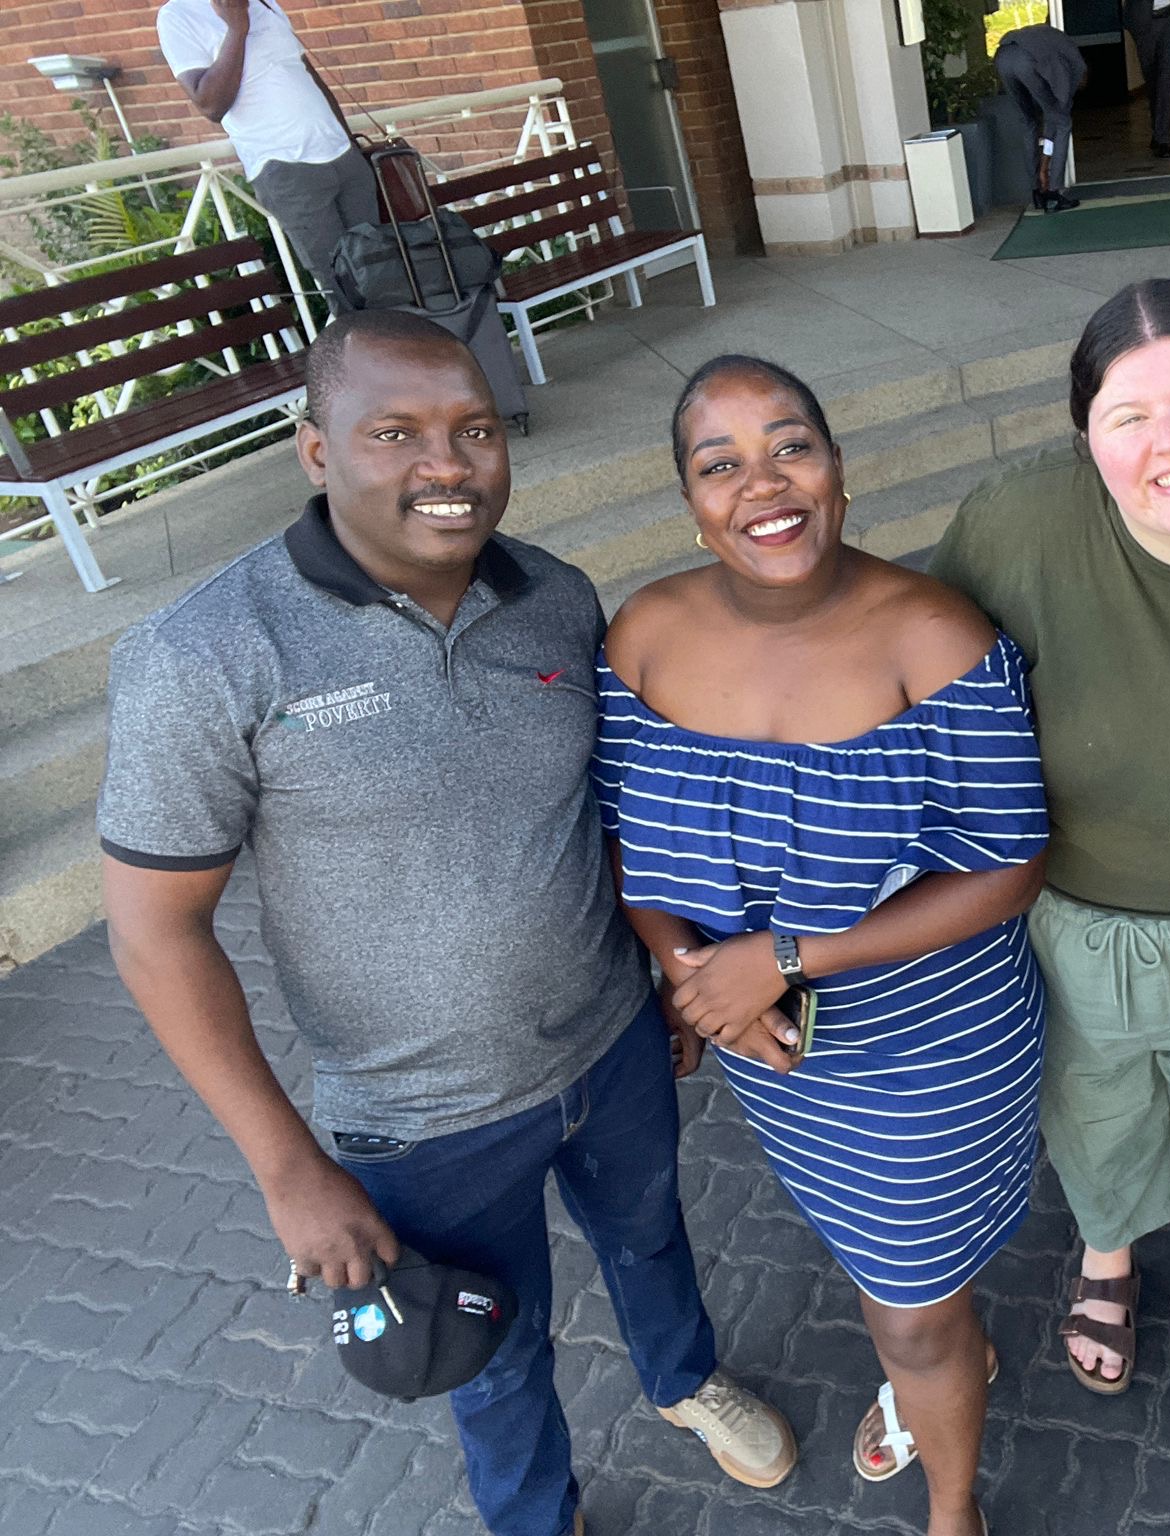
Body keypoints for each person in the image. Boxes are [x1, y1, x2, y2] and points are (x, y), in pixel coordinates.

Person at [95, 310, 796, 1536]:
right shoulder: (206, 654)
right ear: (316, 452)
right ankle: (537, 1517)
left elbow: (609, 812)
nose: (449, 464)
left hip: (611, 1045)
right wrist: (287, 1170)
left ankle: (684, 1380)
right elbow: (156, 933)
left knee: (648, 1235)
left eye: (474, 429)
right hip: (417, 1117)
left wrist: (664, 971)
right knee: (493, 1340)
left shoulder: (554, 599)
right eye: (396, 433)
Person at [592, 354, 1050, 1536]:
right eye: (721, 463)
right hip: (767, 1050)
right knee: (892, 1275)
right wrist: (700, 979)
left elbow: (1010, 864)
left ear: (838, 466)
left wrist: (782, 962)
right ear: (688, 499)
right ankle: (943, 1344)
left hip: (932, 1042)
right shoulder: (642, 634)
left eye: (791, 445)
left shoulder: (934, 634)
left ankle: (956, 1512)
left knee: (903, 1308)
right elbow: (621, 836)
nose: (765, 485)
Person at [929, 279, 1170, 1444]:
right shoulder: (1019, 524)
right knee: (1091, 1111)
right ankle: (1106, 1255)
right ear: (1084, 435)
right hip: (1064, 912)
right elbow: (919, 682)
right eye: (1128, 415)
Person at [158, 0, 376, 294]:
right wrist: (237, 27)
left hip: (341, 156)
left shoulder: (265, 2)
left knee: (381, 270)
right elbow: (210, 104)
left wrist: (348, 142)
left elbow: (307, 75)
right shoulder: (177, 15)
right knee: (345, 287)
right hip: (289, 170)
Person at [994, 24, 1085, 213]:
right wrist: (1046, 166)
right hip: (1026, 60)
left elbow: (1049, 121)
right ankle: (1055, 192)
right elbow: (1056, 119)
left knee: (1028, 121)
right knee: (1064, 122)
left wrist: (1043, 166)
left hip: (1002, 56)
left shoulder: (1056, 42)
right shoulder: (1075, 67)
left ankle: (1036, 192)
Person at [1121, 0, 1170, 158]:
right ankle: (1158, 131)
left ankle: (1163, 139)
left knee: (1165, 77)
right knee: (1152, 79)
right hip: (1144, 19)